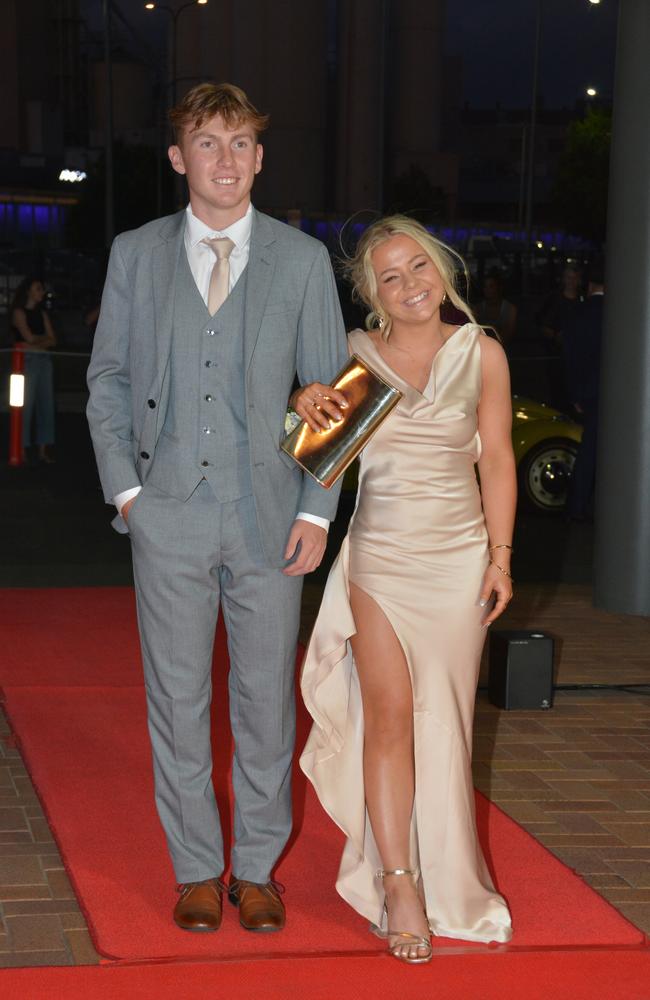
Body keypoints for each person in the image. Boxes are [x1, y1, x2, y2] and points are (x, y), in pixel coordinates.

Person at [86, 83, 347, 935]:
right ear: (178, 157)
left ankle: (259, 869)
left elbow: (331, 400)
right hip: (167, 512)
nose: (225, 160)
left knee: (266, 699)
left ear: (260, 158)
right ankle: (198, 868)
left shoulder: (302, 261)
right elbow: (109, 383)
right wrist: (128, 492)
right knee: (176, 698)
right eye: (207, 143)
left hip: (269, 512)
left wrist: (315, 511)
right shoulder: (136, 253)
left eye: (240, 144)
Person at [296, 216, 516, 964]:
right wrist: (302, 402)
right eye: (389, 276)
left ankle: (451, 875)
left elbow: (499, 463)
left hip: (458, 561)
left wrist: (501, 557)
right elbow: (313, 445)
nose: (408, 284)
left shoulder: (481, 352)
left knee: (446, 722)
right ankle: (398, 883)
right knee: (388, 715)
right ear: (371, 294)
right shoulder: (356, 359)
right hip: (380, 558)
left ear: (441, 269)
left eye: (417, 266)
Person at [563, 259, 605, 520]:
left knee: (589, 450)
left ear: (589, 286)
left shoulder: (579, 313)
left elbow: (570, 356)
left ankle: (577, 506)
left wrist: (575, 393)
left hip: (589, 391)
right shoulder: (621, 312)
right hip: (618, 392)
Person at [10, 277, 57, 463]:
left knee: (46, 404)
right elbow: (29, 339)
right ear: (28, 291)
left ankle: (42, 450)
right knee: (25, 405)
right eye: (38, 288)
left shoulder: (42, 313)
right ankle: (21, 449)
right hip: (26, 361)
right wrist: (42, 340)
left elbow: (53, 340)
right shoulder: (19, 312)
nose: (42, 292)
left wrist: (38, 342)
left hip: (43, 360)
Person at [537, 263, 583, 410]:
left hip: (577, 356)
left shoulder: (582, 300)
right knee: (558, 393)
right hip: (557, 356)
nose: (571, 281)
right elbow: (542, 324)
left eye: (574, 278)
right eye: (568, 278)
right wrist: (557, 336)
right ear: (563, 279)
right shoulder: (554, 300)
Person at [474, 268, 517, 345]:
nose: (487, 290)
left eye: (491, 286)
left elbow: (508, 335)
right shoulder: (478, 308)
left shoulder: (510, 309)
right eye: (485, 286)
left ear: (499, 288)